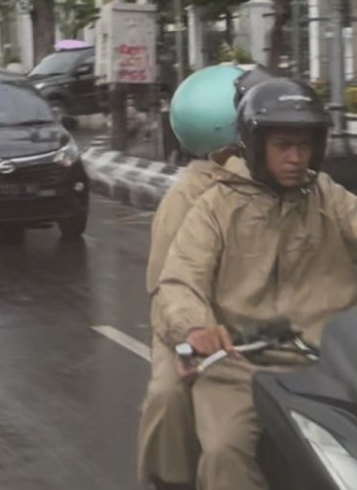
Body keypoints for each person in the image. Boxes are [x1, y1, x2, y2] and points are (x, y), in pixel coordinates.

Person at [152, 78, 357, 490]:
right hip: (245, 364)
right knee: (226, 450)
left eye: (305, 145)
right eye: (284, 145)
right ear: (254, 144)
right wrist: (196, 328)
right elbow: (179, 280)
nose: (297, 158)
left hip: (330, 360)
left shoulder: (326, 196)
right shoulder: (215, 207)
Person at [138, 66, 277, 490]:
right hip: (203, 330)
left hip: (280, 329)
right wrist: (192, 333)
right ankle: (169, 481)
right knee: (168, 397)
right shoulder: (189, 194)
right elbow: (168, 286)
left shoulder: (290, 179)